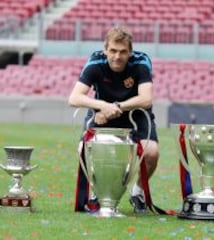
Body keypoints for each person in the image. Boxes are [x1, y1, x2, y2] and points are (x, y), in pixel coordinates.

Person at [68, 26, 159, 214]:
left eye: (123, 52)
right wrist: (103, 106)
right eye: (113, 51)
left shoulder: (141, 62)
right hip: (102, 114)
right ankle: (97, 192)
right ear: (105, 49)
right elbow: (74, 98)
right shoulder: (95, 62)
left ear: (130, 51)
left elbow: (146, 99)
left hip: (136, 114)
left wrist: (116, 107)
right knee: (83, 150)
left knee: (151, 153)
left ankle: (138, 192)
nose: (117, 56)